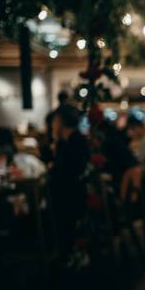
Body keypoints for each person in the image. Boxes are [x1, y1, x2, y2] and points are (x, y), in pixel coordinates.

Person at [49, 104, 89, 258]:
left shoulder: (74, 143)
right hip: (71, 199)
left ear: (60, 122)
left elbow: (64, 174)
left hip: (71, 202)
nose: (52, 125)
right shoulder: (71, 141)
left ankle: (65, 256)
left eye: (54, 121)